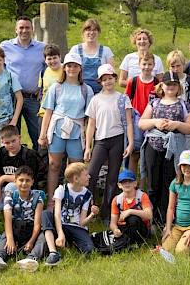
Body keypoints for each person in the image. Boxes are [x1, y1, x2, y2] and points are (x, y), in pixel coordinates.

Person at [139, 77, 190, 224]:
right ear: (162, 86)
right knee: (153, 182)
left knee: (169, 182)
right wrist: (155, 122)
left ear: (178, 87)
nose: (170, 87)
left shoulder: (184, 104)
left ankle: (165, 217)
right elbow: (142, 123)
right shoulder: (154, 102)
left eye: (174, 84)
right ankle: (151, 215)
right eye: (168, 84)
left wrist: (177, 124)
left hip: (174, 148)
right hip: (154, 145)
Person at [85, 64, 135, 222]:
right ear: (100, 82)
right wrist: (88, 147)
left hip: (117, 139)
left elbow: (128, 122)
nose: (108, 82)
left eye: (110, 78)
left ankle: (108, 212)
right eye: (104, 80)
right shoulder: (96, 99)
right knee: (91, 174)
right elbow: (91, 124)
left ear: (115, 78)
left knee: (112, 177)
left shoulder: (122, 98)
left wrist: (130, 143)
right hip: (100, 140)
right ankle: (89, 209)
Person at [39, 53, 93, 197]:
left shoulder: (86, 90)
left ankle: (74, 198)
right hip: (57, 130)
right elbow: (48, 112)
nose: (72, 69)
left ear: (80, 68)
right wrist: (42, 134)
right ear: (64, 67)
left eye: (75, 66)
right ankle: (52, 199)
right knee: (54, 165)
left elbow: (89, 119)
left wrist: (88, 142)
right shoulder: (56, 87)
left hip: (76, 131)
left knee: (75, 167)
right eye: (69, 65)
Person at [34, 163, 99, 266]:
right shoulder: (62, 190)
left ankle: (69, 243)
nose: (89, 177)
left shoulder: (87, 194)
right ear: (76, 179)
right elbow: (57, 213)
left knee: (89, 249)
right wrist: (60, 234)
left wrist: (92, 215)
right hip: (60, 224)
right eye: (86, 175)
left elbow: (82, 222)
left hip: (75, 226)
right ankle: (53, 253)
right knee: (46, 214)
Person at [0, 166, 46, 272]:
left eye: (27, 180)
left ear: (32, 182)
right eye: (21, 180)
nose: (24, 183)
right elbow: (7, 219)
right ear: (15, 181)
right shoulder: (10, 196)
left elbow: (37, 224)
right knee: (5, 237)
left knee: (43, 237)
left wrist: (31, 241)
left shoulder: (38, 197)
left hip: (31, 228)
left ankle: (31, 259)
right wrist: (10, 239)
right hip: (15, 227)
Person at [0, 16, 47, 150]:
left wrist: (42, 88)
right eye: (21, 27)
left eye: (27, 27)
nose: (24, 30)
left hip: (33, 98)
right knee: (11, 135)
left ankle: (39, 167)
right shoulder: (6, 46)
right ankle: (14, 167)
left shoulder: (41, 48)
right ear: (16, 30)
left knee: (38, 135)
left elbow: (49, 69)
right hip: (11, 98)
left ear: (32, 29)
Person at [0, 126, 47, 202]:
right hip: (5, 188)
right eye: (7, 143)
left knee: (11, 186)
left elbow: (28, 178)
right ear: (2, 141)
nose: (11, 145)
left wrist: (4, 177)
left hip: (26, 187)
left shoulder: (28, 155)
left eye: (13, 141)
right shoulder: (1, 152)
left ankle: (17, 206)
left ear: (19, 138)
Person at [125, 53, 158, 173]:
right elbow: (126, 100)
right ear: (139, 64)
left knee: (149, 153)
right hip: (136, 118)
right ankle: (131, 179)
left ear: (154, 65)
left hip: (152, 119)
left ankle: (146, 182)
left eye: (150, 64)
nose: (147, 67)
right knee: (135, 152)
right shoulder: (133, 81)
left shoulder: (157, 82)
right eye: (144, 64)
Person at [69, 19, 115, 93]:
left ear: (98, 32)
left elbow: (111, 75)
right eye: (88, 30)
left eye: (94, 30)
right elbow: (69, 72)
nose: (91, 32)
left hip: (101, 93)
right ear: (83, 32)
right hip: (79, 92)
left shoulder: (106, 51)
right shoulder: (75, 50)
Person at [109, 169, 153, 245]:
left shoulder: (142, 196)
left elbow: (149, 215)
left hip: (140, 228)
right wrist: (115, 229)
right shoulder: (116, 200)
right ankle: (125, 241)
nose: (127, 184)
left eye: (130, 181)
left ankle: (135, 243)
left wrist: (130, 211)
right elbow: (113, 223)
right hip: (124, 228)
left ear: (135, 183)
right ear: (119, 185)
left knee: (133, 218)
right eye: (124, 182)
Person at [38, 45, 63, 120]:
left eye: (55, 58)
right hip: (44, 113)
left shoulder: (66, 70)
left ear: (60, 57)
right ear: (45, 60)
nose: (52, 61)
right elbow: (42, 90)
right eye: (49, 59)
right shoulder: (43, 72)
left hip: (60, 113)